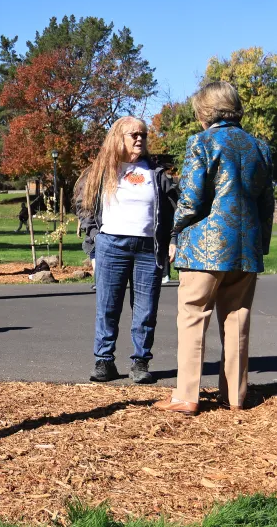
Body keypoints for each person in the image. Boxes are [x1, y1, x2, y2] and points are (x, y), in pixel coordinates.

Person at [155, 81, 274, 415]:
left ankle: (186, 396)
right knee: (237, 320)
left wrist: (174, 230)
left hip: (205, 247)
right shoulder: (260, 148)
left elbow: (191, 200)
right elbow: (267, 204)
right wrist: (260, 244)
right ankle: (235, 397)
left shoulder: (201, 143)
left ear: (204, 111)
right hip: (245, 248)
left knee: (193, 316)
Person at [77, 117, 179, 385]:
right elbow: (84, 205)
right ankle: (104, 361)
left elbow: (172, 210)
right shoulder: (101, 171)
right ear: (118, 138)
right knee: (107, 306)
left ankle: (140, 362)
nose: (139, 139)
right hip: (111, 245)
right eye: (133, 134)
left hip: (148, 248)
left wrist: (172, 239)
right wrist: (95, 239)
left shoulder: (156, 172)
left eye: (143, 135)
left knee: (146, 308)